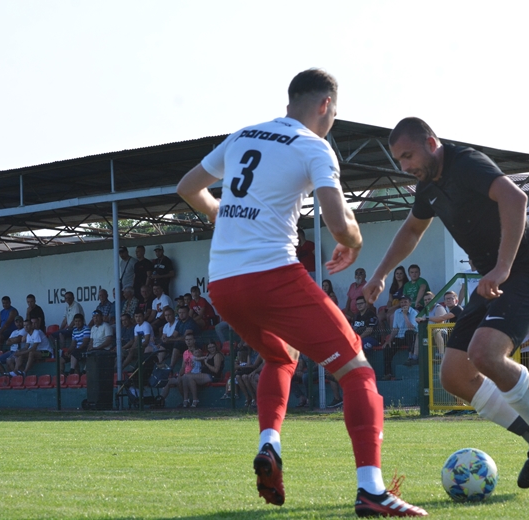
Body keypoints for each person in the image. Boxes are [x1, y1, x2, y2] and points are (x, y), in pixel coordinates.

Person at [176, 69, 426, 516]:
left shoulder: (242, 136)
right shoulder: (314, 146)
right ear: (326, 106)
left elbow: (187, 187)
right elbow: (335, 220)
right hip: (272, 274)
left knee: (280, 357)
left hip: (222, 284)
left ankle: (269, 444)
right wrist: (354, 242)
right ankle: (370, 489)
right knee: (357, 373)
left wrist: (220, 215)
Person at [363, 117, 529, 490]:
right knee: (454, 375)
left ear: (431, 142)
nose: (405, 166)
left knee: (486, 354)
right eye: (399, 161)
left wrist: (503, 267)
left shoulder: (466, 162)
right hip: (494, 279)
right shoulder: (427, 187)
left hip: (527, 272)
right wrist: (380, 274)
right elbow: (412, 229)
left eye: (408, 155)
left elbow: (515, 197)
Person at [380, 296, 418, 379]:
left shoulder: (414, 313)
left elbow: (411, 328)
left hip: (410, 337)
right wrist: (389, 340)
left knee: (409, 333)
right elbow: (395, 329)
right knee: (387, 348)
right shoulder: (397, 312)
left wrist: (405, 315)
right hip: (400, 337)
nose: (403, 304)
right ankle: (387, 373)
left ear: (410, 303)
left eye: (405, 302)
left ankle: (411, 357)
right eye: (401, 302)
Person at [405, 291, 447, 365]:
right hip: (429, 332)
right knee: (418, 334)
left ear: (434, 299)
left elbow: (440, 321)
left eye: (429, 299)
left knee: (436, 330)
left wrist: (426, 319)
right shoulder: (425, 310)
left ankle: (441, 355)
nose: (427, 301)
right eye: (425, 300)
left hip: (441, 333)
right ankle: (415, 357)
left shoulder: (439, 307)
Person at [181, 340, 224, 408]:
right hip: (204, 374)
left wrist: (206, 364)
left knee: (190, 377)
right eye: (209, 348)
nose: (212, 349)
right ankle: (186, 399)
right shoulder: (208, 355)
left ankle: (195, 399)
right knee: (185, 376)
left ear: (216, 347)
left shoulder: (217, 355)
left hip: (214, 376)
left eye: (213, 347)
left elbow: (216, 370)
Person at [377, 266, 408, 332]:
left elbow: (403, 302)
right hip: (392, 307)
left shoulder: (406, 286)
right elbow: (390, 300)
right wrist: (389, 306)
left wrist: (391, 309)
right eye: (397, 273)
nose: (398, 275)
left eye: (400, 273)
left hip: (400, 307)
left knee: (389, 315)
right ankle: (384, 336)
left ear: (404, 275)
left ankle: (392, 336)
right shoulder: (393, 286)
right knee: (379, 316)